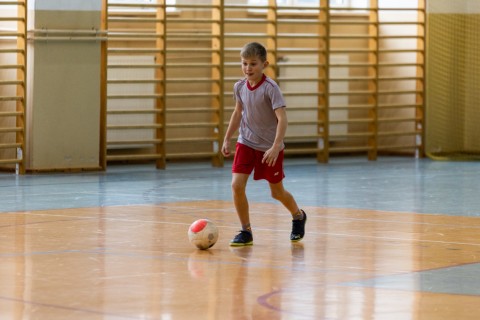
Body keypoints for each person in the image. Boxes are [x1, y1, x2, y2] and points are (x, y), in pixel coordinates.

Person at [221, 42, 307, 246]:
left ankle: (298, 216)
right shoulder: (239, 86)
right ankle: (246, 231)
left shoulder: (271, 88)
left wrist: (276, 146)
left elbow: (282, 118)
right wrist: (227, 137)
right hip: (246, 142)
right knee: (236, 185)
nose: (248, 68)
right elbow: (237, 112)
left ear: (264, 64)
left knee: (276, 192)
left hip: (269, 147)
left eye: (253, 64)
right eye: (244, 64)